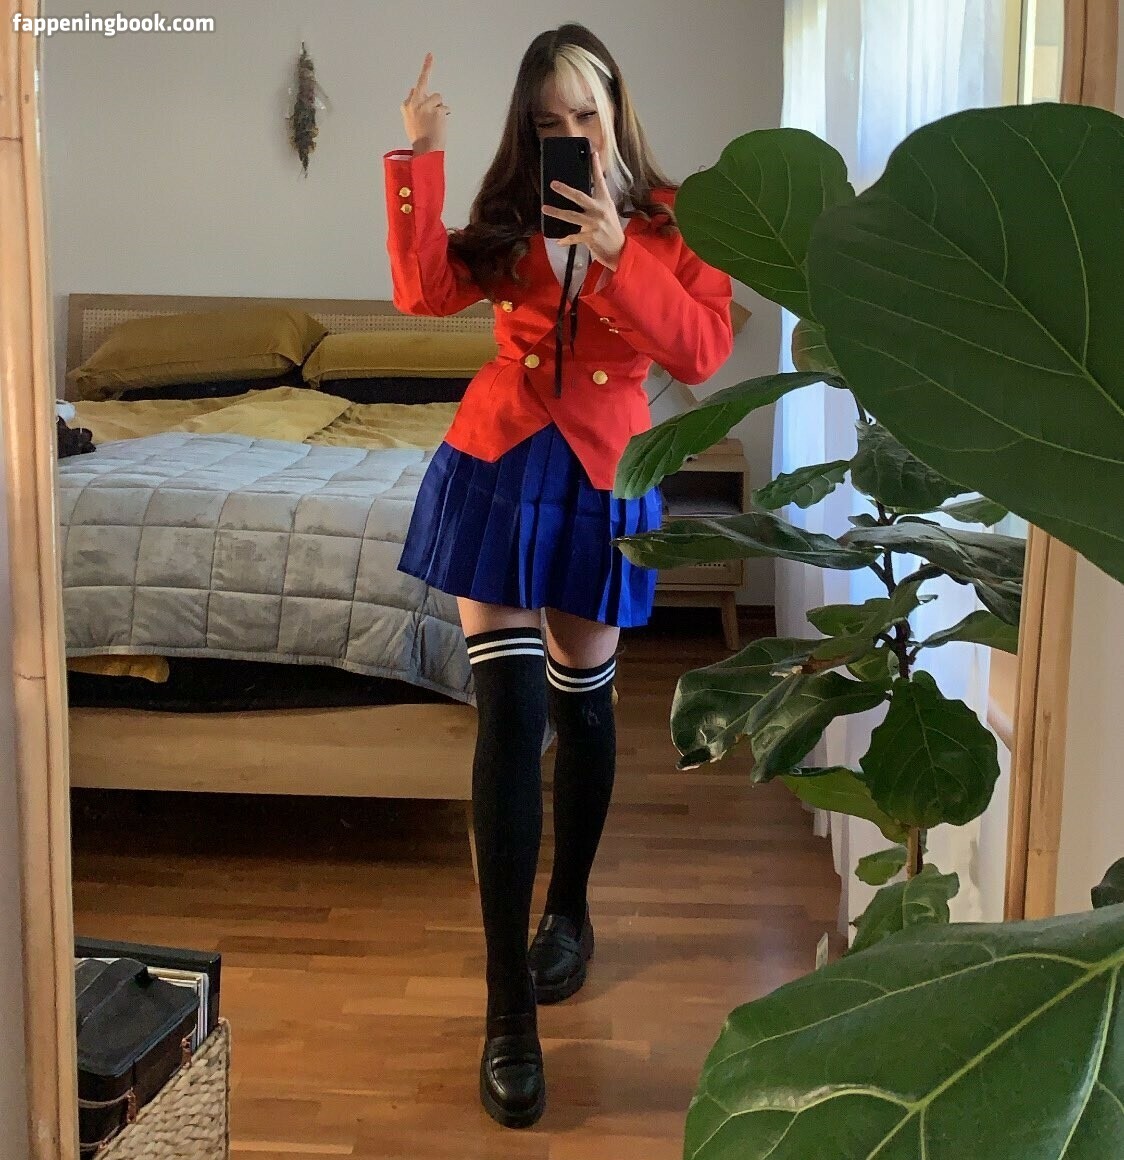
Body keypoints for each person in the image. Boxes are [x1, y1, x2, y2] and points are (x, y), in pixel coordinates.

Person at [384, 23, 733, 1130]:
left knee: (583, 708)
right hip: (495, 460)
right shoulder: (510, 210)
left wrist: (621, 250)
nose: (568, 135)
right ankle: (506, 1011)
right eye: (547, 123)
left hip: (604, 470)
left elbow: (701, 350)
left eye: (584, 114)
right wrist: (417, 158)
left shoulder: (674, 220)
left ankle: (570, 910)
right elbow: (421, 291)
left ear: (615, 109)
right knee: (508, 714)